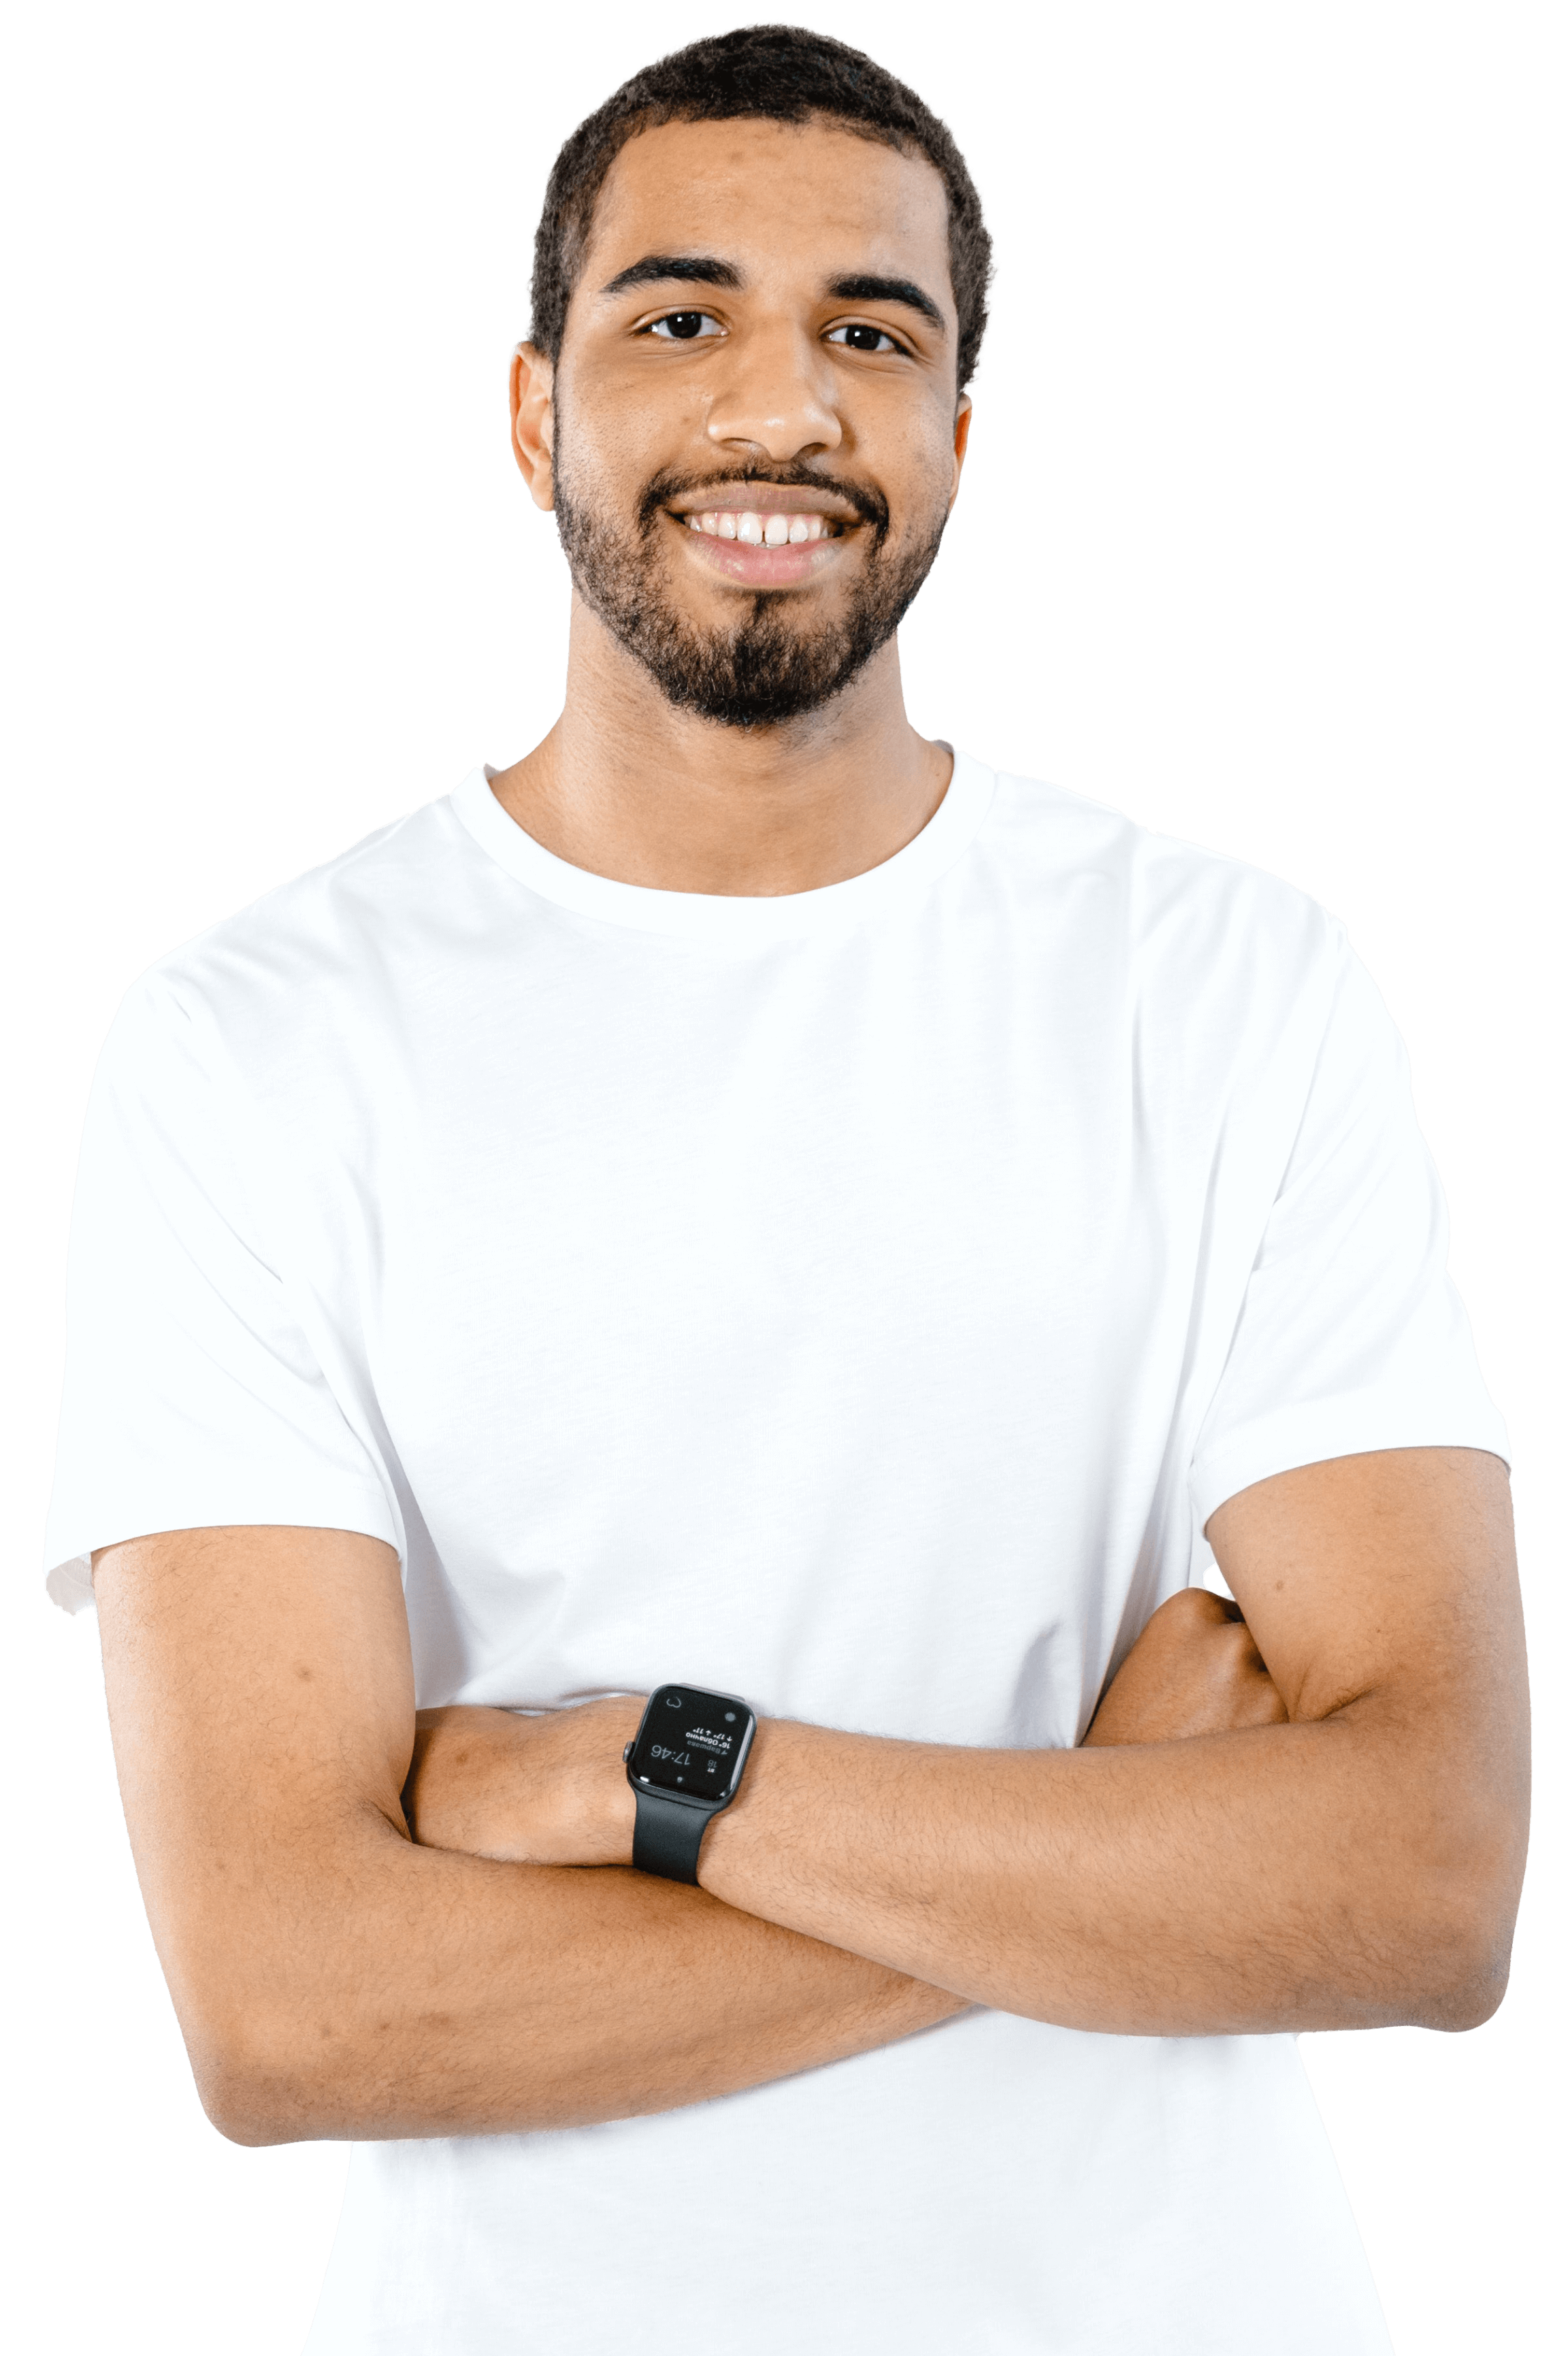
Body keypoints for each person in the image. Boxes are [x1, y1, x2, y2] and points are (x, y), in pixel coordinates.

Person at [46, 24, 1526, 2355]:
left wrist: (656, 1773)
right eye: (678, 317)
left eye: (874, 332)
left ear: (955, 437)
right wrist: (1102, 1832)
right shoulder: (253, 1045)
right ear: (534, 415)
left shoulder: (1227, 985)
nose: (781, 406)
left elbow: (1426, 1878)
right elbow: (297, 2005)